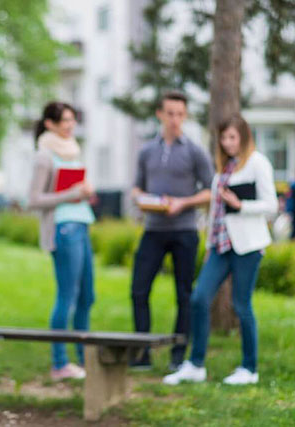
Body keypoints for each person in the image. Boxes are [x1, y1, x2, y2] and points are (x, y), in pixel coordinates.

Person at [163, 114, 278, 386]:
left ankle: (249, 369)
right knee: (199, 298)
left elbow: (271, 205)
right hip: (220, 246)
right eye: (224, 138)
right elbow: (215, 211)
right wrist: (208, 246)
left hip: (247, 246)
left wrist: (241, 206)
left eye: (232, 138)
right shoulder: (223, 168)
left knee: (241, 304)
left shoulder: (257, 163)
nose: (227, 143)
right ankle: (195, 364)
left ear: (244, 137)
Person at [130, 91, 213, 370]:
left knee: (184, 294)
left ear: (185, 115)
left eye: (180, 114)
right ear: (160, 114)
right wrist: (143, 200)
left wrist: (183, 203)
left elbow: (212, 191)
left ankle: (179, 355)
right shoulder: (146, 151)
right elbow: (136, 188)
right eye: (170, 113)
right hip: (152, 230)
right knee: (139, 291)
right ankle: (143, 354)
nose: (175, 119)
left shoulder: (194, 150)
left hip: (184, 231)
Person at [28, 102, 96, 381]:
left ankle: (84, 359)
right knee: (67, 297)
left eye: (72, 120)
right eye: (65, 121)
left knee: (87, 296)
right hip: (63, 229)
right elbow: (33, 199)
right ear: (50, 124)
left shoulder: (74, 149)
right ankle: (59, 364)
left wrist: (85, 191)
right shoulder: (44, 156)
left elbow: (76, 190)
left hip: (82, 223)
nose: (70, 125)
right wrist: (69, 194)